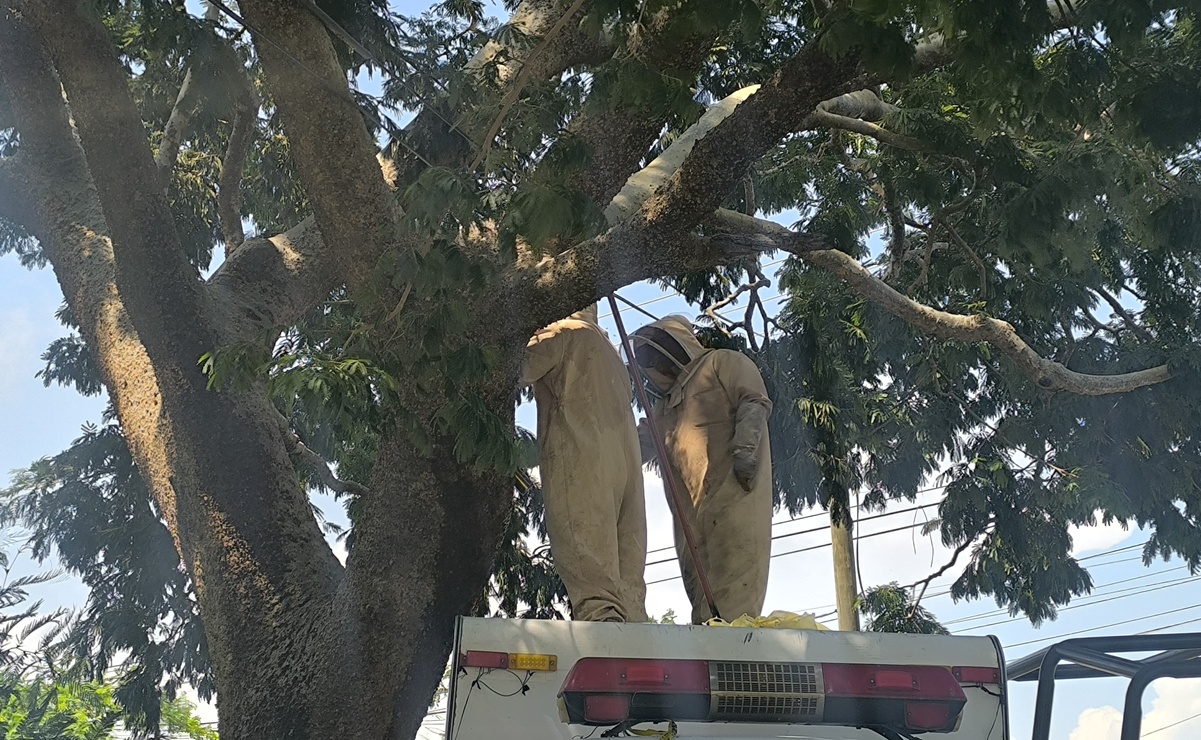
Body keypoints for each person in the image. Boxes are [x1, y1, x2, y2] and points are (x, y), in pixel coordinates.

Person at [631, 315, 773, 624]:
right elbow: (634, 447)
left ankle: (735, 649)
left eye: (657, 354)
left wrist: (745, 450)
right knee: (702, 601)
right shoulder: (664, 406)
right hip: (689, 514)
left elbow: (753, 400)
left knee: (734, 598)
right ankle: (708, 646)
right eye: (648, 361)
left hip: (734, 496)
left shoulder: (722, 363)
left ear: (677, 342)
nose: (656, 365)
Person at [520, 304, 648, 622]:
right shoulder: (610, 350)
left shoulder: (562, 333)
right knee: (627, 577)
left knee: (591, 567)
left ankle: (604, 632)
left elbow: (509, 368)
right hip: (624, 469)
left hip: (582, 460)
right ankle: (634, 630)